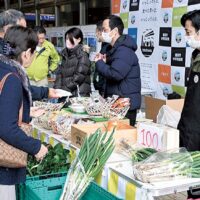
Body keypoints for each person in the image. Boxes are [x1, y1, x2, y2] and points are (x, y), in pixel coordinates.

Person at [0, 26, 48, 200]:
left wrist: (26, 111)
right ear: (26, 53)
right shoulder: (12, 78)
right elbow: (6, 127)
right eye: (34, 52)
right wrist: (35, 147)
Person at [0, 9, 62, 100]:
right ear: (8, 28)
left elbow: (19, 90)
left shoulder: (10, 48)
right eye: (22, 28)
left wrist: (46, 92)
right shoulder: (6, 58)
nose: (25, 33)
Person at [94, 15, 141, 126]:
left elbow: (115, 74)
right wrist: (105, 62)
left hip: (124, 106)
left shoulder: (124, 50)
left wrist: (99, 63)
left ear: (115, 31)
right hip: (116, 103)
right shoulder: (114, 49)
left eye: (105, 30)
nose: (103, 33)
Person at [178, 10, 200, 199]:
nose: (186, 36)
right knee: (192, 178)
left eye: (189, 31)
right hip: (191, 124)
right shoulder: (196, 55)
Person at [54, 27, 91, 98]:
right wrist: (57, 89)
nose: (68, 41)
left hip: (78, 95)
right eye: (67, 38)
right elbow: (59, 74)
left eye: (71, 39)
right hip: (65, 94)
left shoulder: (82, 55)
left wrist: (63, 90)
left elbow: (78, 78)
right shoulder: (65, 54)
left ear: (79, 40)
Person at [93, 20, 111, 95]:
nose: (96, 34)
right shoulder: (104, 46)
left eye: (96, 32)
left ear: (101, 32)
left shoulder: (109, 47)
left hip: (105, 89)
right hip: (102, 88)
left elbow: (108, 70)